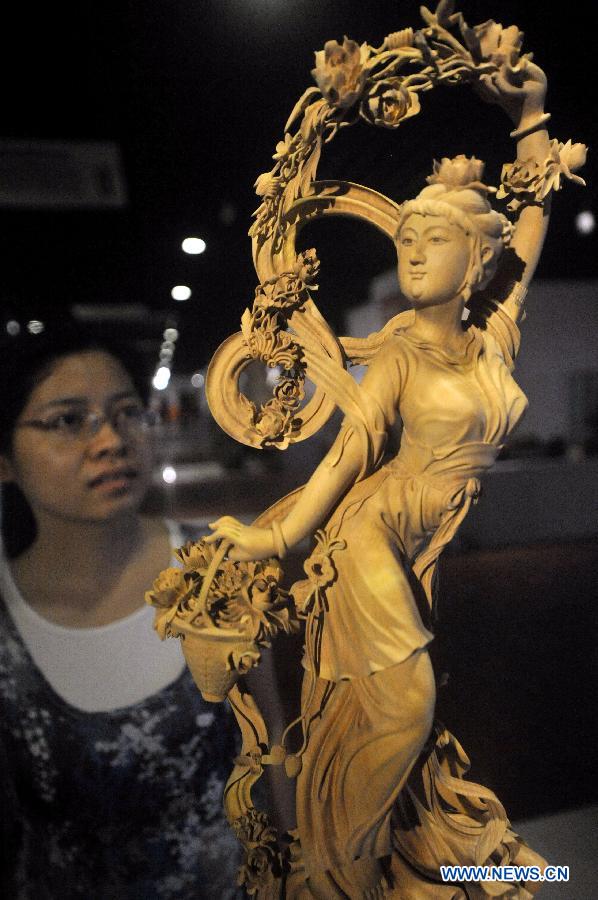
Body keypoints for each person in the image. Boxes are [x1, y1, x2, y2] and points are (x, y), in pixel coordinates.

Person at [205, 58, 563, 897]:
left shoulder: (494, 336)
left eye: (434, 238)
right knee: (405, 709)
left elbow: (536, 219)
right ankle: (342, 873)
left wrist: (532, 110)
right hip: (377, 527)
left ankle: (401, 860)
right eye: (405, 236)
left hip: (426, 542)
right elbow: (351, 452)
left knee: (408, 723)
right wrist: (280, 534)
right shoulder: (400, 348)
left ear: (477, 260)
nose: (412, 248)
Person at [0, 325, 240, 899]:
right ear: (4, 459)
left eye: (128, 413)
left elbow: (274, 743)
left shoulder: (217, 566)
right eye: (66, 420)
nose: (111, 440)